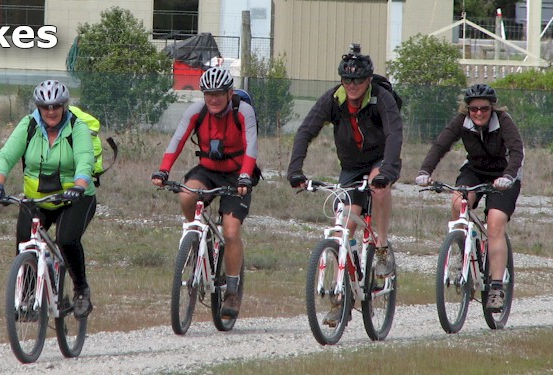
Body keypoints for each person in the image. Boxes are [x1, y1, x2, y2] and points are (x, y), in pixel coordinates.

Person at [150, 66, 259, 319]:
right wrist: (163, 171)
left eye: (219, 93)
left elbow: (251, 145)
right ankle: (198, 236)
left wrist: (245, 175)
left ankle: (231, 292)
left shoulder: (243, 111)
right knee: (187, 194)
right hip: (207, 171)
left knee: (230, 232)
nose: (213, 98)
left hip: (237, 174)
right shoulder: (196, 112)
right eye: (208, 93)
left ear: (229, 92)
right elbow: (177, 140)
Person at [287, 43, 402, 281]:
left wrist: (387, 171)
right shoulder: (333, 99)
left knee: (378, 189)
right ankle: (342, 297)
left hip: (380, 161)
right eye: (346, 80)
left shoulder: (382, 98)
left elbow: (394, 135)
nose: (351, 85)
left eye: (358, 80)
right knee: (344, 229)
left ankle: (381, 247)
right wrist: (295, 170)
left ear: (368, 79)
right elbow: (305, 132)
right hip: (351, 167)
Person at [0, 80, 98, 318]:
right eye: (45, 107)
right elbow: (6, 156)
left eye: (56, 105)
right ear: (38, 107)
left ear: (64, 106)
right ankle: (25, 299)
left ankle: (81, 289)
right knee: (24, 241)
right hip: (37, 200)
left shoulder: (77, 128)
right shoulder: (29, 126)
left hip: (75, 198)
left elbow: (85, 159)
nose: (51, 111)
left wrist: (79, 186)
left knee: (66, 239)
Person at [415, 84, 524, 312]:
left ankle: (496, 287)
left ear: (492, 107)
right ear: (467, 108)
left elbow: (516, 150)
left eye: (484, 108)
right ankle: (462, 248)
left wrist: (509, 176)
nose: (478, 113)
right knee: (458, 201)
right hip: (475, 170)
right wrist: (425, 171)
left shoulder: (503, 121)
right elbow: (440, 145)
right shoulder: (461, 121)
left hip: (505, 174)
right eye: (473, 108)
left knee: (494, 223)